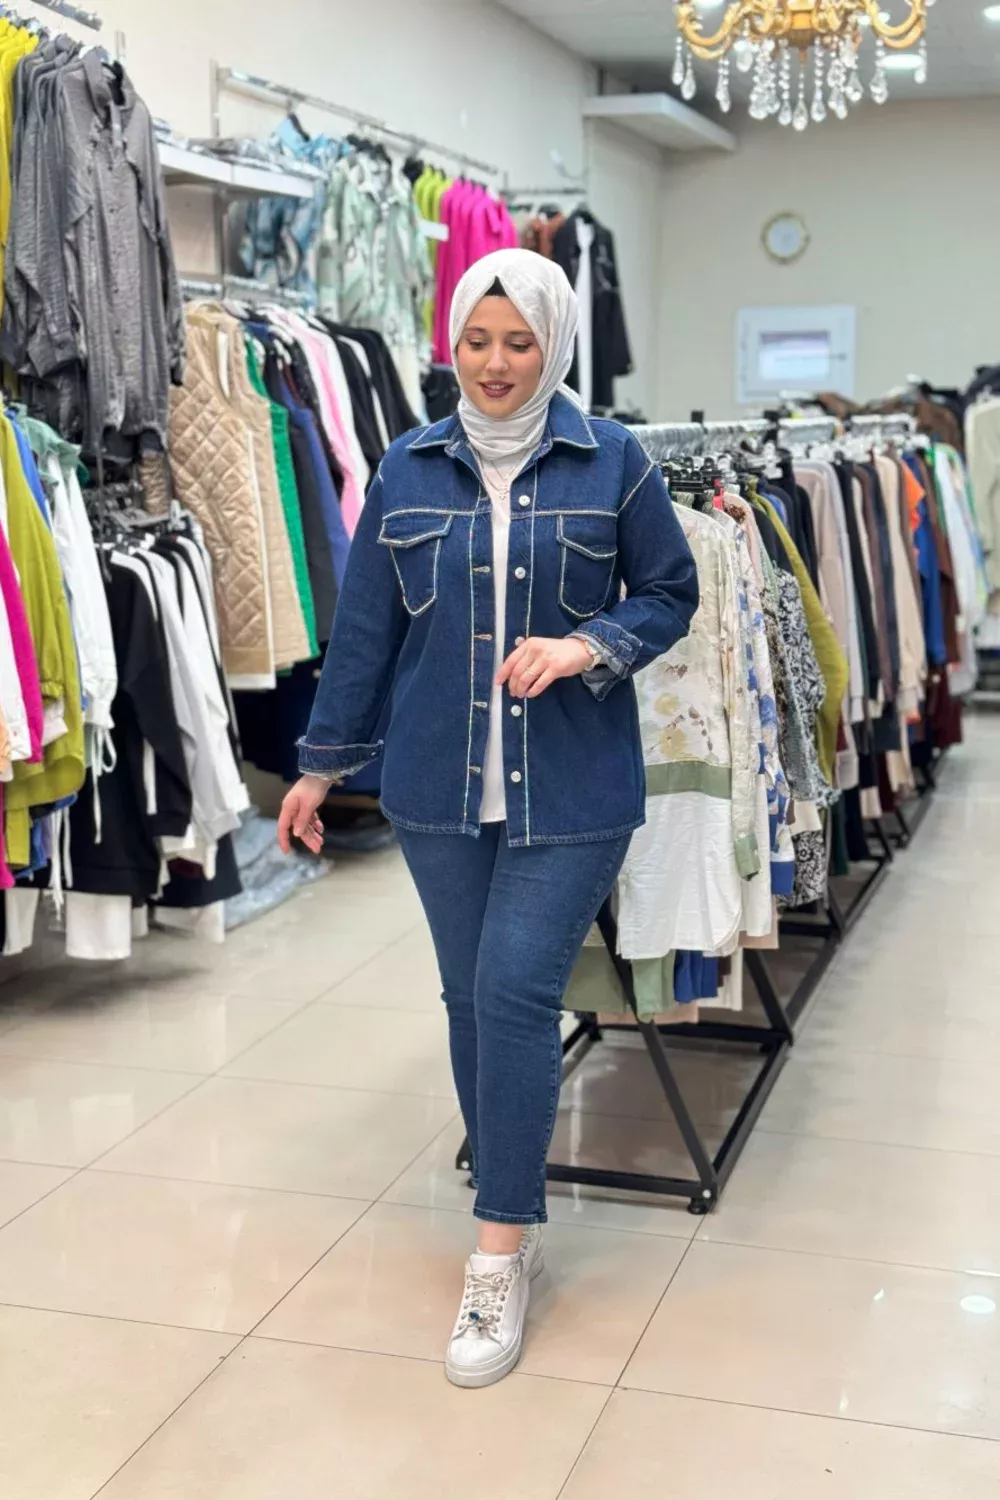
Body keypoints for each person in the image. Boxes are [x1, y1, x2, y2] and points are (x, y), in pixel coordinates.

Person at [278, 248, 698, 1388]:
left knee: (512, 992)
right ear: (451, 342)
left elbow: (671, 592)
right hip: (435, 789)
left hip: (574, 790)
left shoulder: (613, 461)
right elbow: (367, 633)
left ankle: (499, 1251)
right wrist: (319, 768)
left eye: (520, 342)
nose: (497, 363)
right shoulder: (406, 467)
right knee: (468, 1000)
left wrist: (586, 646)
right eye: (478, 340)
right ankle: (510, 1200)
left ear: (553, 345)